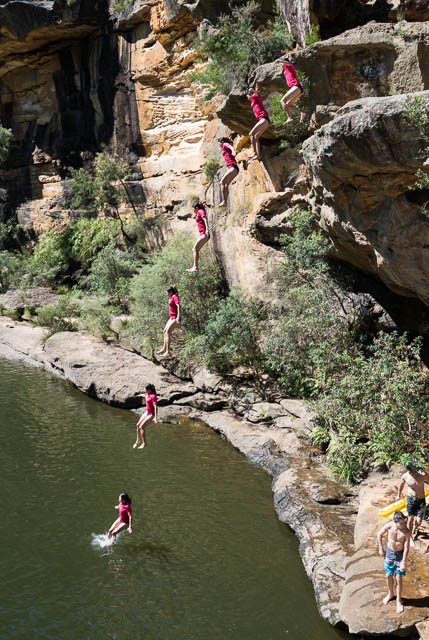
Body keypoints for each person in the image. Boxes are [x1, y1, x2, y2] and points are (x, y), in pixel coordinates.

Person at [377, 510, 411, 614]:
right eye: (401, 523)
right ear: (395, 521)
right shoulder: (389, 526)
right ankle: (390, 593)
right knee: (388, 575)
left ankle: (398, 600)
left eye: (404, 522)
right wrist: (381, 548)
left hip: (400, 555)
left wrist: (403, 562)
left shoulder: (406, 532)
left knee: (398, 578)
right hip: (390, 553)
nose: (404, 525)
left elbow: (406, 548)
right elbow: (379, 533)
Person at [397, 461, 429, 545]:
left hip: (421, 500)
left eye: (412, 472)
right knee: (410, 519)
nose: (410, 473)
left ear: (416, 470)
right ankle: (410, 537)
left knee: (418, 521)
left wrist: (425, 472)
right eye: (409, 472)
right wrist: (398, 495)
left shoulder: (422, 476)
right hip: (410, 499)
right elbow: (401, 485)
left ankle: (415, 527)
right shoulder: (405, 476)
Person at [273, 52, 306, 124]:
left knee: (282, 101)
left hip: (296, 86)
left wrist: (280, 61)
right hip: (298, 89)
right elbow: (283, 63)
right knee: (288, 104)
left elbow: (287, 63)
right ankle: (301, 113)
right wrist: (280, 61)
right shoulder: (285, 68)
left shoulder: (289, 66)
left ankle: (289, 117)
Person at [247, 84, 270, 161]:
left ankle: (254, 152)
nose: (249, 96)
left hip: (264, 119)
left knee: (251, 134)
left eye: (249, 94)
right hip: (265, 121)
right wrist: (253, 91)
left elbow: (256, 94)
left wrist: (253, 90)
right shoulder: (253, 100)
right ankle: (258, 155)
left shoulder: (256, 97)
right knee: (256, 137)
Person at [186, 201, 210, 272]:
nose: (193, 210)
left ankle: (195, 267)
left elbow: (204, 218)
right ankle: (194, 266)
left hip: (204, 234)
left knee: (194, 249)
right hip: (203, 234)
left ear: (196, 208)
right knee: (196, 250)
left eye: (193, 208)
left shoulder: (200, 211)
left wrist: (207, 229)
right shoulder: (199, 211)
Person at [157, 285, 180, 357]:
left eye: (167, 292)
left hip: (175, 318)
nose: (166, 293)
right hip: (171, 317)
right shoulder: (172, 296)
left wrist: (178, 317)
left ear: (170, 292)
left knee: (167, 333)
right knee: (164, 331)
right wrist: (175, 288)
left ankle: (168, 352)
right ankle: (164, 349)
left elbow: (178, 306)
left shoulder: (174, 297)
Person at [133, 383, 158, 449]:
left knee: (142, 427)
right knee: (138, 425)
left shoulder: (153, 396)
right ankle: (138, 440)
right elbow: (146, 396)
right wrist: (141, 395)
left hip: (151, 414)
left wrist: (155, 417)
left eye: (146, 389)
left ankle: (144, 443)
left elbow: (155, 407)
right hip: (147, 412)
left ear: (149, 390)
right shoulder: (147, 394)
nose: (145, 390)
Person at [218, 136, 239, 208]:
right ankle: (225, 202)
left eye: (219, 143)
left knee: (222, 182)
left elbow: (229, 146)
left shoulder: (225, 144)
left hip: (233, 167)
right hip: (234, 168)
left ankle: (224, 201)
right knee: (226, 185)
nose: (219, 144)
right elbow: (230, 143)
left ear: (222, 142)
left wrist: (233, 150)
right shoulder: (226, 144)